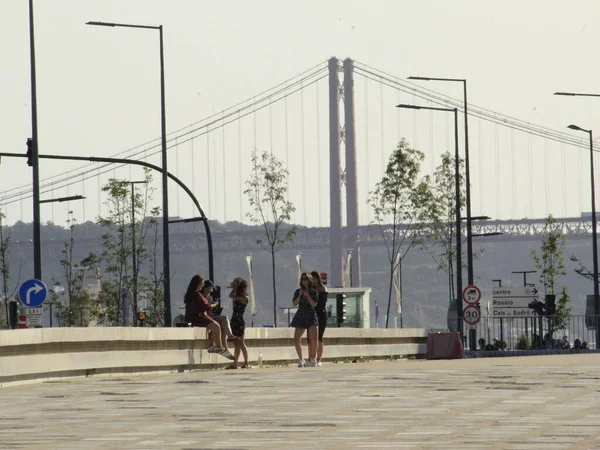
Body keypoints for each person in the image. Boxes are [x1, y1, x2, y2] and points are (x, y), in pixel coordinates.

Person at [184, 275, 234, 360]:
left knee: (218, 325)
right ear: (198, 284)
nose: (203, 285)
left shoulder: (193, 294)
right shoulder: (196, 294)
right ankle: (218, 347)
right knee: (216, 326)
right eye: (202, 284)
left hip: (197, 316)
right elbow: (206, 306)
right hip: (197, 318)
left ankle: (218, 347)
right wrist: (214, 304)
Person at [201, 280, 238, 354]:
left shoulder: (208, 297)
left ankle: (226, 346)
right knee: (221, 321)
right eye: (209, 289)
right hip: (203, 318)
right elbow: (205, 309)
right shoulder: (200, 297)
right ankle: (224, 343)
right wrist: (213, 305)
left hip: (208, 317)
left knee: (223, 322)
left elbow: (208, 310)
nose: (210, 291)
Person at [291, 272, 319, 367]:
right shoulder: (298, 291)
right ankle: (300, 358)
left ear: (310, 280)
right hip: (301, 314)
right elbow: (294, 303)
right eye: (303, 279)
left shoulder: (313, 292)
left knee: (314, 339)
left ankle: (313, 359)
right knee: (296, 339)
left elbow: (314, 304)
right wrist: (300, 295)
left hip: (310, 314)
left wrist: (308, 295)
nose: (304, 281)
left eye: (306, 279)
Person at [227, 278, 250, 369]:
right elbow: (231, 295)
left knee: (241, 342)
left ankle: (246, 362)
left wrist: (235, 288)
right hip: (234, 320)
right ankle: (235, 363)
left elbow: (231, 296)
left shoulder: (245, 297)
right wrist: (235, 288)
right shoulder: (237, 295)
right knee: (236, 343)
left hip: (239, 321)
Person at [311, 271, 328, 367]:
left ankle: (319, 358)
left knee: (319, 338)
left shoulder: (323, 289)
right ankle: (312, 358)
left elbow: (321, 304)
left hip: (321, 315)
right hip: (313, 314)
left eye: (314, 279)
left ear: (318, 279)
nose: (313, 281)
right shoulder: (311, 290)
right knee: (312, 338)